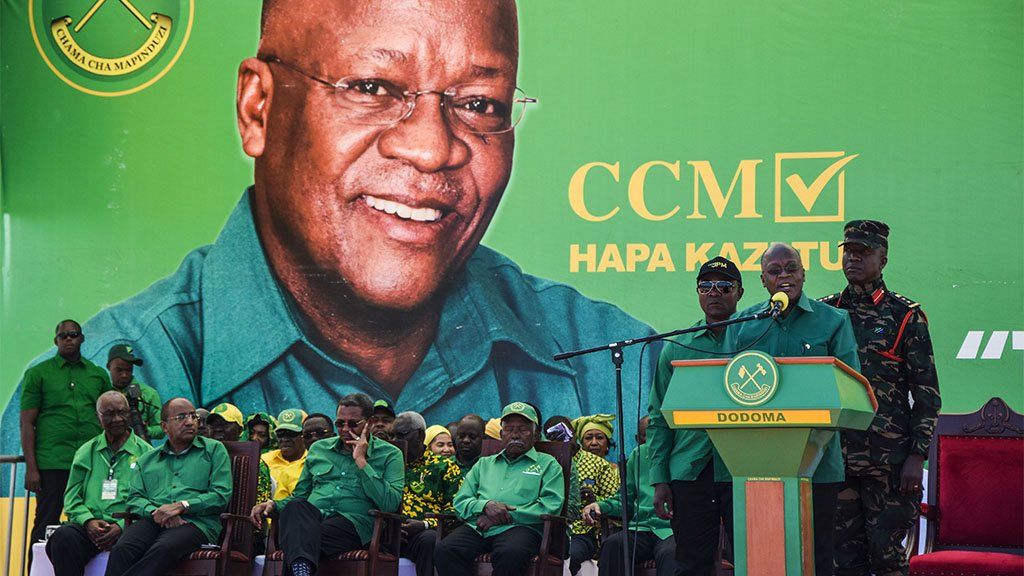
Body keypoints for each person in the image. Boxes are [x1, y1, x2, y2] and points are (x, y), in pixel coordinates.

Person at [0, 0, 657, 459]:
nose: (432, 149)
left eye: (480, 103)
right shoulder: (122, 377)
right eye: (372, 87)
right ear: (259, 109)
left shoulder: (615, 366)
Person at [724, 242, 861, 576]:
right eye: (775, 271)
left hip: (817, 464)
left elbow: (852, 388)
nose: (784, 276)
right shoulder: (744, 324)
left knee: (816, 556)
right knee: (761, 558)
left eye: (791, 268)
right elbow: (723, 387)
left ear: (804, 274)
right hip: (755, 467)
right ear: (762, 280)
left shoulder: (833, 321)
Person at [820, 220, 941, 576]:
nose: (853, 259)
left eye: (863, 252)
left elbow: (927, 394)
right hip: (836, 459)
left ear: (883, 259)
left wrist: (916, 457)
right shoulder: (825, 314)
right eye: (849, 252)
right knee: (842, 562)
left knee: (887, 559)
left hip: (887, 462)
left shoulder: (905, 316)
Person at [649, 256, 743, 576]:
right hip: (690, 469)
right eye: (706, 286)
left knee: (752, 559)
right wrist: (660, 478)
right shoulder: (677, 346)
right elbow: (660, 416)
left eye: (724, 286)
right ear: (698, 292)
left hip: (743, 467)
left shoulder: (755, 340)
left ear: (739, 293)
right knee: (691, 564)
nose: (714, 292)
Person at [250, 394, 404, 576]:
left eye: (353, 424)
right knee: (295, 507)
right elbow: (300, 496)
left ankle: (300, 570)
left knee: (299, 539)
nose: (345, 429)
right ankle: (302, 571)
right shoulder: (319, 449)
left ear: (369, 423)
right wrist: (273, 504)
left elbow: (390, 503)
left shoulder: (390, 454)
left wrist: (362, 461)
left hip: (355, 525)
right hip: (315, 519)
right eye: (340, 424)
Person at [104, 398, 232, 576]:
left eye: (193, 416)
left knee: (164, 548)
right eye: (181, 417)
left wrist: (182, 506)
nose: (190, 422)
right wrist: (158, 513)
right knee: (123, 548)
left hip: (197, 522)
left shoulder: (213, 450)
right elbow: (134, 498)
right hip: (154, 519)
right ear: (164, 427)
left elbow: (221, 495)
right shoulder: (148, 460)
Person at [435, 402, 565, 576]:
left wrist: (505, 516)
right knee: (446, 550)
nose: (515, 435)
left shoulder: (548, 464)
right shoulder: (484, 464)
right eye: (509, 429)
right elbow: (460, 501)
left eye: (523, 429)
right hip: (479, 526)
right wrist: (485, 506)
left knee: (510, 553)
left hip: (521, 528)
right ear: (500, 434)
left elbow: (550, 505)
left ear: (536, 435)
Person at [21, 320, 111, 555]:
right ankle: (36, 570)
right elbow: (27, 422)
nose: (68, 339)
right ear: (56, 341)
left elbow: (109, 418)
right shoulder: (37, 374)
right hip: (53, 462)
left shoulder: (98, 374)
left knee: (93, 519)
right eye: (63, 336)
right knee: (45, 523)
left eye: (73, 335)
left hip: (91, 463)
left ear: (82, 338)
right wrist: (31, 468)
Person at [46, 392, 153, 576]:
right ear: (98, 417)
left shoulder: (147, 453)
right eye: (109, 414)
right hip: (90, 528)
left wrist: (121, 525)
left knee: (132, 544)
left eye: (122, 412)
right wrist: (88, 521)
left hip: (129, 528)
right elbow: (71, 498)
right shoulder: (86, 451)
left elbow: (153, 502)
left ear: (130, 414)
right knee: (63, 538)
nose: (117, 419)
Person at [584, 417, 676, 576]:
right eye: (647, 435)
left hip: (671, 529)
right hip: (640, 528)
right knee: (613, 545)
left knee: (671, 553)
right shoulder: (639, 454)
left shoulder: (680, 453)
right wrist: (600, 505)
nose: (653, 439)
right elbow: (624, 499)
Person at [390, 411, 463, 576]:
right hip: (388, 532)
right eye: (391, 436)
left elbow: (456, 510)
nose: (394, 442)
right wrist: (389, 529)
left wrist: (424, 524)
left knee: (429, 540)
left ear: (420, 435)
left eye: (401, 435)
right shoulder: (387, 464)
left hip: (422, 534)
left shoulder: (442, 466)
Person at [546, 416, 618, 575]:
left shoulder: (598, 464)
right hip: (549, 530)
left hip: (583, 532)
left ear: (573, 433)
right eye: (553, 437)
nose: (561, 440)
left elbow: (615, 504)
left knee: (570, 556)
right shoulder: (545, 462)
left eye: (564, 434)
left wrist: (594, 501)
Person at [106, 345, 163, 441]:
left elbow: (162, 429)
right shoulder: (103, 393)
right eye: (119, 370)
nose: (124, 375)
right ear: (109, 367)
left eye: (129, 370)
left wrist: (146, 430)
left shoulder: (149, 393)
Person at [262, 409, 308, 499]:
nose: (284, 439)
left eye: (291, 434)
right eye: (280, 434)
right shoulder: (263, 460)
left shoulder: (311, 462)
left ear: (304, 435)